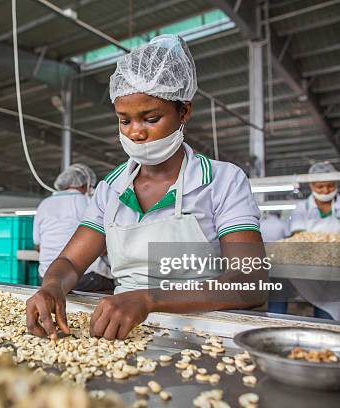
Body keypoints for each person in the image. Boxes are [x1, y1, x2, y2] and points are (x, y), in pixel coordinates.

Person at [26, 35, 266, 341]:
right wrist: (52, 286)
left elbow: (249, 281)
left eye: (151, 118)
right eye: (124, 120)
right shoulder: (110, 189)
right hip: (125, 332)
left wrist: (148, 299)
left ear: (184, 111)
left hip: (208, 332)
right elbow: (71, 262)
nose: (136, 132)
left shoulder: (222, 181)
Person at [278, 161, 340, 321]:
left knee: (325, 317)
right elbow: (300, 240)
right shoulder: (301, 208)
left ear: (336, 183)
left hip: (338, 271)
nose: (325, 190)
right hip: (308, 270)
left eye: (330, 185)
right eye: (320, 186)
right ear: (311, 185)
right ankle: (275, 321)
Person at [33, 164, 114, 292]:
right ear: (85, 184)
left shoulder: (45, 204)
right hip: (87, 278)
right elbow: (103, 246)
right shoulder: (89, 201)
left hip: (47, 278)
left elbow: (38, 246)